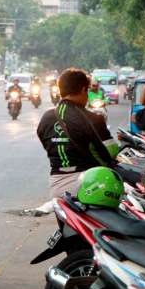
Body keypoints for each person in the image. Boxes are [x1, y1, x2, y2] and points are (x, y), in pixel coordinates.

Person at [36, 68, 119, 198]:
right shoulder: (94, 118)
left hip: (56, 186)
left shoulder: (46, 118)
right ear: (82, 90)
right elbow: (110, 153)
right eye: (87, 91)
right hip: (90, 185)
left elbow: (47, 145)